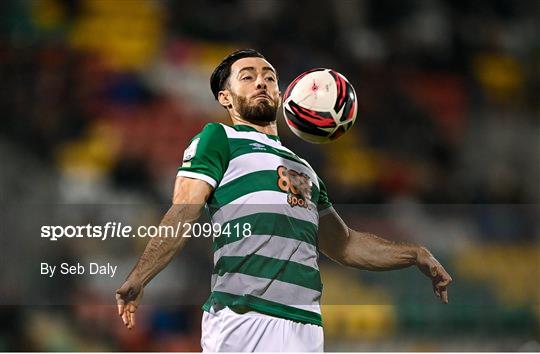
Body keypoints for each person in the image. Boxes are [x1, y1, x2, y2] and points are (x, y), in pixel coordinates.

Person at [115, 49, 452, 352]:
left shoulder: (304, 169)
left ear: (281, 93)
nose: (261, 82)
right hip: (245, 317)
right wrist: (140, 276)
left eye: (269, 77)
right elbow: (184, 211)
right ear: (226, 97)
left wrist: (414, 254)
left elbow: (345, 245)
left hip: (305, 325)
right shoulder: (219, 138)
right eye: (247, 77)